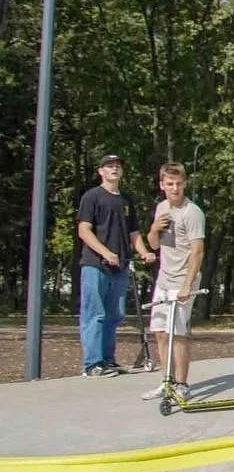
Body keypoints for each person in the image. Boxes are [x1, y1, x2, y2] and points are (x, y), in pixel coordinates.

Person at [76, 155, 157, 377]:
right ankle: (92, 364)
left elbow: (133, 233)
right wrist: (105, 252)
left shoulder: (126, 200)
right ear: (100, 171)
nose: (114, 169)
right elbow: (84, 230)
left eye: (118, 166)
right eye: (109, 166)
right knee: (95, 314)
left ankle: (107, 360)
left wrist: (144, 252)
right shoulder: (92, 196)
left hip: (120, 267)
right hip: (95, 265)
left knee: (113, 315)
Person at [141, 163, 205, 401]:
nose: (175, 188)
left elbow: (198, 251)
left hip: (183, 279)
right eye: (170, 184)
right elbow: (154, 245)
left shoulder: (193, 213)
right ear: (162, 186)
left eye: (179, 184)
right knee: (159, 331)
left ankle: (182, 383)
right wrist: (153, 228)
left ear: (185, 184)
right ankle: (165, 381)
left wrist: (188, 285)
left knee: (177, 333)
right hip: (164, 279)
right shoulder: (161, 208)